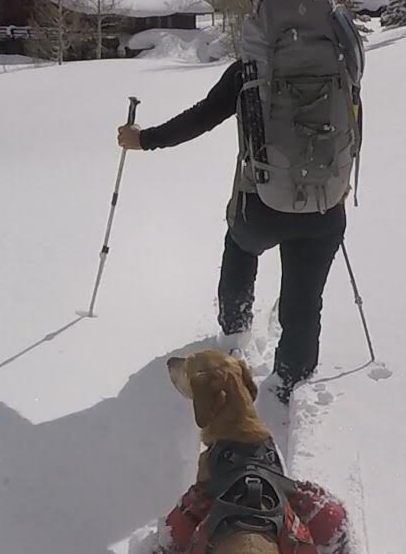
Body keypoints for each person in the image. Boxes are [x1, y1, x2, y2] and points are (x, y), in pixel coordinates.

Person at [117, 61, 346, 403]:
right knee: (305, 299)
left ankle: (235, 336)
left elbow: (202, 117)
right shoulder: (339, 61)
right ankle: (290, 383)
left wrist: (144, 139)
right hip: (324, 204)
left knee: (240, 248)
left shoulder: (250, 68)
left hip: (260, 206)